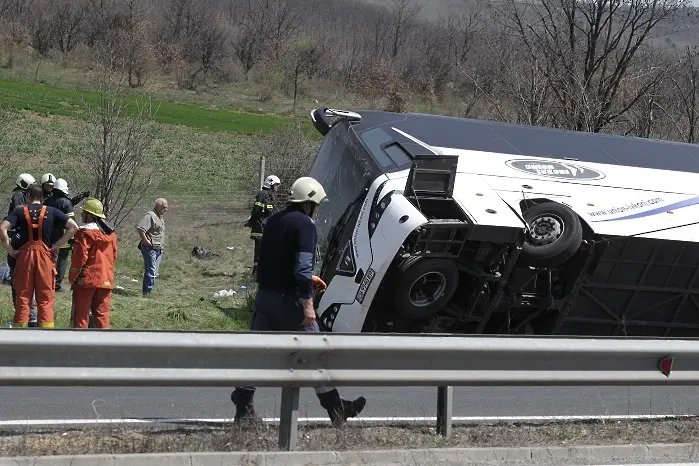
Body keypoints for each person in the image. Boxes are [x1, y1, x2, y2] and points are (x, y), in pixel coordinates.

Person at [231, 177, 366, 427]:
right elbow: (303, 268)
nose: (317, 209)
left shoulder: (274, 222)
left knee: (256, 354)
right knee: (315, 353)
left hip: (265, 297)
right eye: (317, 204)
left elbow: (272, 260)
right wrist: (308, 304)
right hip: (290, 302)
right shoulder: (305, 225)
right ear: (310, 202)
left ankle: (243, 407)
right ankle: (336, 408)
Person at [0, 184, 78, 328]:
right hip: (45, 259)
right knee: (45, 299)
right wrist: (57, 245)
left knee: (23, 297)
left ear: (28, 196)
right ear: (41, 197)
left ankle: (20, 338)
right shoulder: (52, 211)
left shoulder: (19, 212)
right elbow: (73, 227)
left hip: (24, 259)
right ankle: (46, 340)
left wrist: (10, 249)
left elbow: (2, 228)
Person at [69, 198, 117, 329]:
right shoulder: (111, 235)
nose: (82, 215)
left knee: (81, 315)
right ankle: (103, 345)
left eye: (84, 212)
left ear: (89, 215)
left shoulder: (84, 233)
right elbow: (113, 256)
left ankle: (80, 344)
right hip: (106, 280)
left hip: (86, 281)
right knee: (102, 316)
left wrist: (72, 277)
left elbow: (79, 258)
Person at [5, 173, 38, 326]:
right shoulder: (19, 195)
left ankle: (24, 316)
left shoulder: (19, 195)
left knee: (19, 282)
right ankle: (27, 316)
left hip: (20, 244)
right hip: (23, 243)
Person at [44, 178, 74, 292]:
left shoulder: (46, 201)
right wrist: (72, 237)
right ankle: (57, 284)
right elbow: (72, 222)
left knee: (48, 259)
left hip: (48, 236)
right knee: (62, 259)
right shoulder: (67, 203)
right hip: (63, 237)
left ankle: (47, 281)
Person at [246, 174, 280, 275]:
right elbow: (256, 210)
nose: (277, 188)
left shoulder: (269, 196)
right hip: (260, 227)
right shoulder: (262, 195)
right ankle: (256, 272)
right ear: (270, 184)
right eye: (276, 185)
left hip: (265, 227)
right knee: (259, 251)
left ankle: (262, 271)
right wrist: (251, 221)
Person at [137, 198, 167, 296]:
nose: (165, 210)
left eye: (166, 208)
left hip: (158, 248)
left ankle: (149, 292)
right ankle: (147, 293)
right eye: (163, 207)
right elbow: (141, 228)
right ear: (157, 206)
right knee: (151, 271)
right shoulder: (150, 216)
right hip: (150, 248)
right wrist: (145, 241)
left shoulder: (160, 217)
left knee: (155, 272)